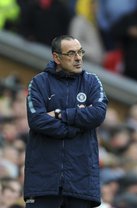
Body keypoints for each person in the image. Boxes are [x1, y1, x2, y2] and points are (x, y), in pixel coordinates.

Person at [23, 35, 108, 208]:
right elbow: (37, 120)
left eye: (80, 52)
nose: (78, 58)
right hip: (43, 183)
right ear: (56, 57)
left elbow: (98, 114)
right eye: (71, 53)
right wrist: (74, 129)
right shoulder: (39, 83)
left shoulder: (92, 82)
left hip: (81, 182)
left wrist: (61, 114)